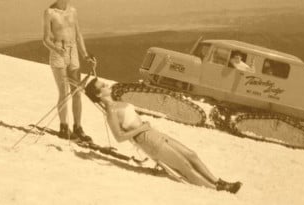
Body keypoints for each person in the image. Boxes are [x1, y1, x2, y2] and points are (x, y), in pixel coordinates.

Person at [84, 78, 242, 193]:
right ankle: (215, 189)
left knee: (191, 155)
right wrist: (141, 129)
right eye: (103, 86)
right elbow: (119, 137)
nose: (107, 84)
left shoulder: (117, 103)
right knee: (184, 166)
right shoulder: (111, 111)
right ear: (99, 95)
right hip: (147, 139)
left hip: (152, 133)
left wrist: (144, 126)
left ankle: (219, 182)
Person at [42, 0, 94, 141]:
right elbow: (45, 39)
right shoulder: (49, 12)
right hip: (58, 52)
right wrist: (57, 49)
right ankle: (64, 128)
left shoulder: (73, 11)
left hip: (73, 54)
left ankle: (78, 128)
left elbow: (78, 35)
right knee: (64, 92)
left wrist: (85, 55)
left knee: (77, 92)